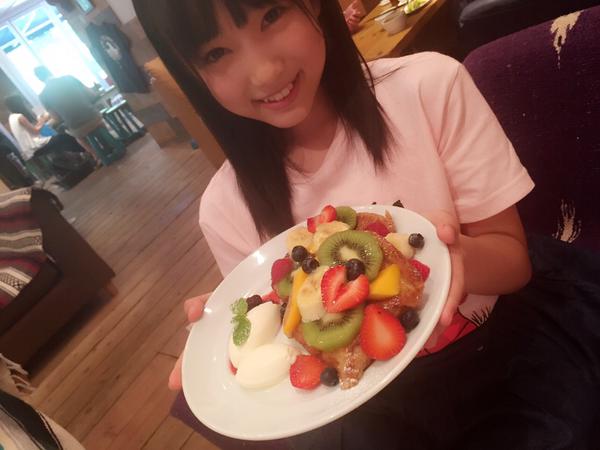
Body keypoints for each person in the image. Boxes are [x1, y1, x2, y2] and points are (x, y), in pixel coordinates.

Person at [135, 1, 600, 448]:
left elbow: (513, 263)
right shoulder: (225, 208)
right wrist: (235, 343)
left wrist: (448, 257)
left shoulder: (429, 87)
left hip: (501, 347)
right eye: (216, 53)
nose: (263, 72)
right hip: (369, 403)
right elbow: (294, 338)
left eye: (271, 16)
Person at [5, 94, 90, 179]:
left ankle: (80, 155)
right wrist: (43, 120)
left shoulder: (11, 117)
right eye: (23, 102)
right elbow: (35, 131)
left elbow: (32, 130)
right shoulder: (20, 117)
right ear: (19, 103)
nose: (26, 104)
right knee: (64, 137)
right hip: (34, 147)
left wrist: (41, 122)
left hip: (30, 147)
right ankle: (87, 152)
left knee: (58, 135)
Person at [34, 66, 103, 164]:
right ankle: (108, 143)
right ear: (49, 71)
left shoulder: (43, 96)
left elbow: (57, 118)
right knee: (97, 122)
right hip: (94, 117)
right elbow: (91, 95)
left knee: (78, 137)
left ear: (39, 79)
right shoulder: (69, 78)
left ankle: (96, 155)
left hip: (78, 127)